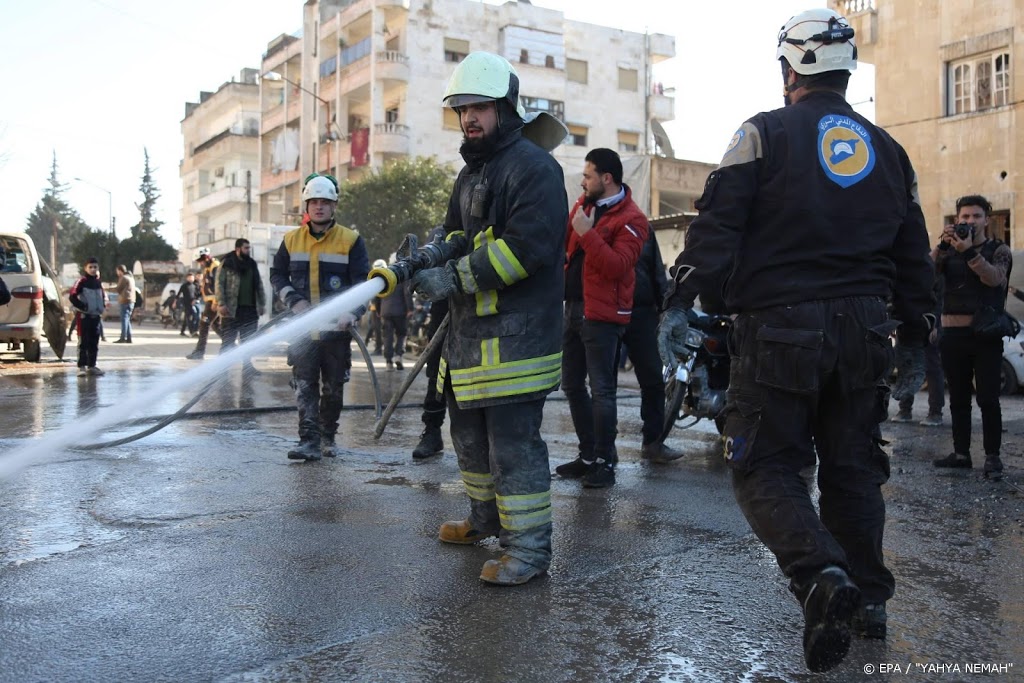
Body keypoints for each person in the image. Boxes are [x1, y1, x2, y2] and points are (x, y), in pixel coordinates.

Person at [656, 9, 934, 672]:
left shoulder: (762, 135)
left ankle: (820, 576)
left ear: (788, 71)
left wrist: (680, 298)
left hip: (781, 325)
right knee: (854, 468)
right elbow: (914, 254)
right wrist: (919, 332)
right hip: (868, 329)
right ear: (846, 70)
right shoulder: (890, 152)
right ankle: (866, 599)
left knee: (763, 465)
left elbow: (716, 224)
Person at [410, 51, 568, 585]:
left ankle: (528, 550)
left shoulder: (535, 168)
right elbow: (459, 234)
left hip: (518, 341)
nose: (470, 117)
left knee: (513, 449)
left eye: (480, 107)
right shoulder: (471, 173)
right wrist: (432, 255)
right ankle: (484, 521)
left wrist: (452, 278)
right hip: (471, 341)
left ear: (506, 107)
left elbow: (526, 249)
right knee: (470, 443)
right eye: (462, 108)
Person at [556, 148, 648, 488]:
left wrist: (587, 233)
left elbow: (617, 266)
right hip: (573, 308)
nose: (583, 181)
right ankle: (588, 456)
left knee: (603, 390)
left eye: (588, 176)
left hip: (603, 315)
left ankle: (606, 463)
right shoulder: (584, 206)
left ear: (606, 179)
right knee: (571, 384)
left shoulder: (633, 219)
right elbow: (564, 248)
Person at [270, 173, 370, 461]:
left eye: (325, 202)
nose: (319, 207)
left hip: (336, 333)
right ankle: (309, 440)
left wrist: (352, 312)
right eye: (314, 202)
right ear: (306, 205)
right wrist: (294, 301)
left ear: (334, 205)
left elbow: (363, 284)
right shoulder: (291, 240)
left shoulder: (351, 240)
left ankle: (328, 436)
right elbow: (277, 274)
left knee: (334, 389)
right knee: (304, 386)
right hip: (303, 331)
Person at [931, 195, 1012, 479]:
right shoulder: (948, 250)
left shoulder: (999, 249)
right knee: (959, 399)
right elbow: (925, 276)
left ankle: (992, 457)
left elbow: (994, 278)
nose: (970, 222)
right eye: (964, 217)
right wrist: (942, 246)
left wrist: (968, 252)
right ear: (956, 221)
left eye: (976, 216)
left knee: (988, 398)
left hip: (986, 335)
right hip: (953, 334)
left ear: (986, 220)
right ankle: (961, 453)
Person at [624, 228, 685, 462]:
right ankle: (601, 451)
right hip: (606, 313)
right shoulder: (592, 220)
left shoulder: (642, 228)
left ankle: (653, 442)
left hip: (642, 312)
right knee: (603, 387)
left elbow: (657, 271)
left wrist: (665, 309)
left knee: (652, 380)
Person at [412, 226, 450, 460]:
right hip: (443, 308)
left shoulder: (488, 227)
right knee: (437, 373)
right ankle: (432, 432)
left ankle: (485, 437)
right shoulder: (440, 234)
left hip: (482, 311)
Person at [892, 277, 946, 426]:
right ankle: (905, 410)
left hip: (927, 324)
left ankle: (935, 412)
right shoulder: (909, 268)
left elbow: (939, 299)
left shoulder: (933, 270)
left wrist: (935, 324)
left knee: (931, 368)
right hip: (908, 324)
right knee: (906, 366)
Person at [216, 238, 266, 374]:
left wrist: (262, 304)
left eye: (249, 248)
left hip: (250, 309)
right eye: (246, 248)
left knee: (248, 340)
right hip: (231, 309)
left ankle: (247, 367)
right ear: (238, 249)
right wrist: (221, 303)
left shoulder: (251, 264)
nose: (248, 250)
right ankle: (222, 368)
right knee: (228, 341)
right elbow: (219, 284)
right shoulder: (227, 263)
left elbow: (259, 285)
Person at [69, 257, 107, 376]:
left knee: (94, 342)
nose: (93, 269)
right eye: (90, 267)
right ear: (86, 268)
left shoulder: (98, 282)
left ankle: (92, 366)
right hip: (84, 317)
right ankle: (82, 367)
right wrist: (82, 306)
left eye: (95, 267)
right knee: (83, 342)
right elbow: (72, 296)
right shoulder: (81, 281)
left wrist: (103, 307)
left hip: (96, 317)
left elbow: (102, 296)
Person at [186, 249, 220, 360]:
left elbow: (218, 286)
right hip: (210, 301)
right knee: (216, 325)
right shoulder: (208, 268)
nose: (200, 263)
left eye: (201, 260)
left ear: (207, 257)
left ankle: (199, 352)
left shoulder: (215, 267)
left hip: (214, 302)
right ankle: (231, 344)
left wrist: (216, 302)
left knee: (204, 324)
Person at [114, 264, 135, 344]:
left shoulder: (123, 278)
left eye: (117, 271)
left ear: (120, 270)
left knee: (124, 320)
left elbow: (118, 289)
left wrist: (105, 288)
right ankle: (129, 338)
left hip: (125, 300)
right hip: (131, 301)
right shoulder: (131, 277)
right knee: (127, 319)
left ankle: (123, 337)